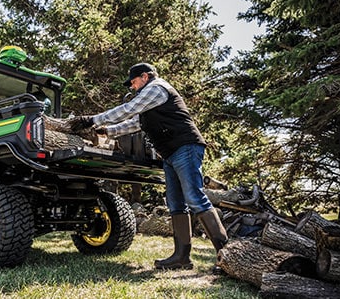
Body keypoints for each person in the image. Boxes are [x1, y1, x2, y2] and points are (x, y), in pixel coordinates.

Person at [67, 63, 227, 270]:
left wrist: (91, 120)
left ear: (145, 76)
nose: (132, 87)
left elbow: (127, 110)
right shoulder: (149, 100)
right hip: (171, 153)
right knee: (176, 204)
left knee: (194, 197)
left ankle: (226, 257)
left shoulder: (156, 88)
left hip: (185, 147)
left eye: (133, 82)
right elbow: (134, 124)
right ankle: (181, 257)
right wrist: (106, 131)